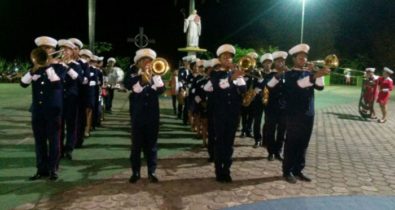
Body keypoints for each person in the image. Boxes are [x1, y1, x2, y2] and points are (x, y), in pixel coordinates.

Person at [267, 43, 330, 184]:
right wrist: (315, 76)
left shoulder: (310, 73)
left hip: (309, 113)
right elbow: (300, 84)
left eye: (305, 57)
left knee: (304, 143)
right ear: (294, 59)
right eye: (300, 57)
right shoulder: (289, 74)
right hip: (294, 114)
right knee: (292, 142)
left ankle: (298, 170)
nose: (304, 60)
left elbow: (320, 87)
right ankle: (287, 170)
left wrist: (318, 73)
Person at [204, 44, 247, 182]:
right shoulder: (215, 73)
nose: (228, 59)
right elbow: (219, 85)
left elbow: (243, 90)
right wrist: (232, 78)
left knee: (229, 144)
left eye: (230, 57)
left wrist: (239, 77)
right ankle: (218, 170)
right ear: (220, 59)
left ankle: (226, 170)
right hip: (219, 113)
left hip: (233, 113)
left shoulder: (235, 73)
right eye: (225, 57)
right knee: (219, 142)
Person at [21, 37, 62, 180]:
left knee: (54, 140)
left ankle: (53, 169)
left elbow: (57, 84)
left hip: (53, 110)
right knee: (39, 141)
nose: (44, 51)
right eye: (42, 48)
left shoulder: (58, 67)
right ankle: (41, 169)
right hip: (38, 111)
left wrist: (48, 65)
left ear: (53, 50)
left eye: (47, 48)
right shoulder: (34, 68)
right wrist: (33, 69)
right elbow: (23, 83)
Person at [123, 48, 165, 183]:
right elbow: (132, 88)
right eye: (145, 61)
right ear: (139, 62)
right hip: (137, 115)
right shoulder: (131, 74)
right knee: (136, 145)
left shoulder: (156, 75)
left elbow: (161, 89)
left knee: (152, 145)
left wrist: (154, 77)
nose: (148, 63)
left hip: (152, 115)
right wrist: (142, 79)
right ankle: (135, 172)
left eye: (150, 61)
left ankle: (151, 172)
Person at [57, 39, 83, 160]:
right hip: (58, 97)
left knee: (71, 124)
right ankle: (59, 148)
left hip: (72, 98)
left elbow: (79, 79)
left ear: (72, 52)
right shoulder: (56, 64)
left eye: (67, 49)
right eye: (62, 49)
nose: (64, 51)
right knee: (59, 124)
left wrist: (66, 66)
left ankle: (69, 148)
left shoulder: (76, 65)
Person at [265, 51, 288, 161]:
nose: (281, 63)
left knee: (282, 131)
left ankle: (278, 151)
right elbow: (269, 86)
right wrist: (280, 74)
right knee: (270, 131)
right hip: (271, 107)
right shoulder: (269, 75)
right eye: (279, 61)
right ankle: (271, 152)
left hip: (284, 108)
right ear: (274, 62)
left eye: (283, 61)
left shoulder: (288, 75)